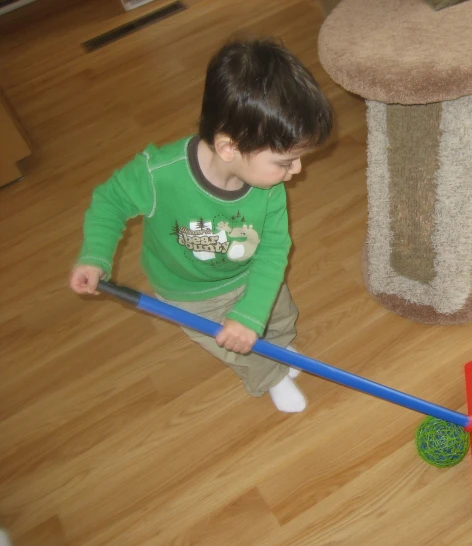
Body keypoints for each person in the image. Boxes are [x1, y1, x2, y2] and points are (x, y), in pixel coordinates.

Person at [69, 37, 333, 413]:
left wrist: (251, 314)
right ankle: (268, 377)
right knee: (238, 348)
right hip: (190, 296)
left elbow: (274, 248)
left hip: (251, 275)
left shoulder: (267, 186)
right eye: (286, 161)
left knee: (278, 317)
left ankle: (279, 347)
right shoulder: (159, 174)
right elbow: (109, 202)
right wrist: (95, 255)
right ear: (229, 148)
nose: (297, 170)